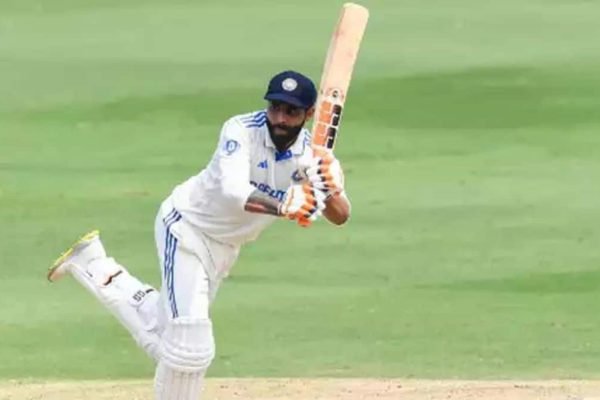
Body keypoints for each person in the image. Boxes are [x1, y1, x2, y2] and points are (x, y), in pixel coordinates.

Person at [47, 70, 351, 400]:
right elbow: (234, 191)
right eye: (275, 108)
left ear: (309, 114)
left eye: (291, 112)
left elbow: (340, 215)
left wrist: (328, 188)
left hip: (225, 247)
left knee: (171, 336)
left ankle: (94, 264)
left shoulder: (313, 158)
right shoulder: (241, 130)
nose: (279, 118)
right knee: (189, 346)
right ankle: (94, 265)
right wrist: (284, 205)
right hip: (187, 227)